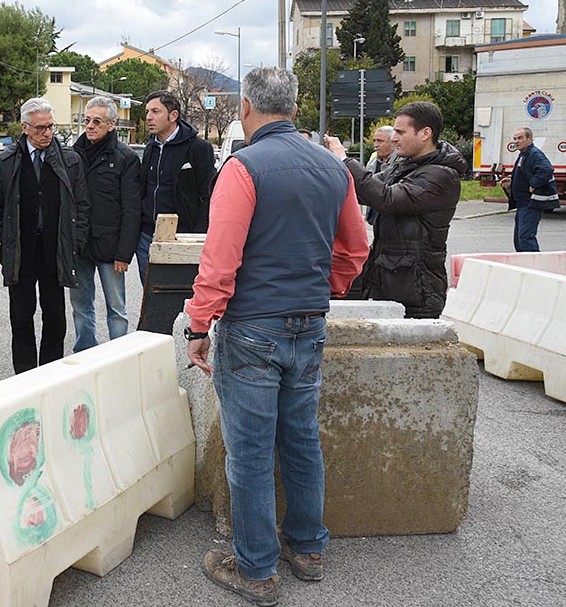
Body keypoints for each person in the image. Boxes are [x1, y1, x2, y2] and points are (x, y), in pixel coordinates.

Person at [185, 67, 369, 607]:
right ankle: (308, 549)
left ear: (246, 108)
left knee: (249, 450)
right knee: (301, 438)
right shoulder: (334, 169)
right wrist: (320, 288)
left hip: (252, 326)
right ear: (293, 105)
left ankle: (257, 569)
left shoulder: (243, 167)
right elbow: (355, 250)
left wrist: (200, 323)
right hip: (308, 322)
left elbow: (220, 260)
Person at [326, 101, 466, 319]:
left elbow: (386, 199)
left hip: (418, 292)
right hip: (389, 281)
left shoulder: (441, 176)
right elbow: (365, 191)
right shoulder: (404, 166)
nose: (394, 138)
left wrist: (344, 160)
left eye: (400, 132)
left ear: (425, 133)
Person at [0, 97, 89, 373]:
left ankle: (50, 373)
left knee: (55, 316)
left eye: (50, 127)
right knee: (21, 316)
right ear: (25, 127)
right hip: (20, 249)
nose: (46, 133)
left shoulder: (70, 160)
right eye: (40, 128)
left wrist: (75, 243)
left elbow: (82, 205)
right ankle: (25, 374)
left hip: (56, 249)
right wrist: (1, 246)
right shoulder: (7, 160)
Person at [70, 96, 141, 352]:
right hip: (79, 246)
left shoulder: (125, 158)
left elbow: (131, 210)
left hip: (112, 250)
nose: (90, 126)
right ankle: (86, 354)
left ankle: (118, 356)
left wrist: (124, 253)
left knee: (117, 309)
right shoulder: (73, 154)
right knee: (80, 307)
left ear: (112, 125)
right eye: (86, 120)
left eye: (96, 121)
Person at [136, 90, 217, 284]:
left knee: (178, 296)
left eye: (156, 111)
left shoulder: (198, 148)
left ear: (173, 116)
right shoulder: (150, 149)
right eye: (147, 111)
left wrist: (198, 235)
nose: (148, 117)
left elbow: (209, 195)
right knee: (151, 297)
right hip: (148, 237)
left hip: (182, 236)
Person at [500, 126, 559, 251]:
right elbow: (527, 174)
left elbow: (546, 169)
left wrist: (534, 184)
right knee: (519, 239)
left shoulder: (534, 154)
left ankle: (534, 266)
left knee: (526, 238)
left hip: (530, 204)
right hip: (522, 204)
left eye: (520, 138)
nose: (516, 141)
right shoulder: (524, 154)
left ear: (530, 140)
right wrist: (512, 181)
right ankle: (524, 266)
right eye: (515, 138)